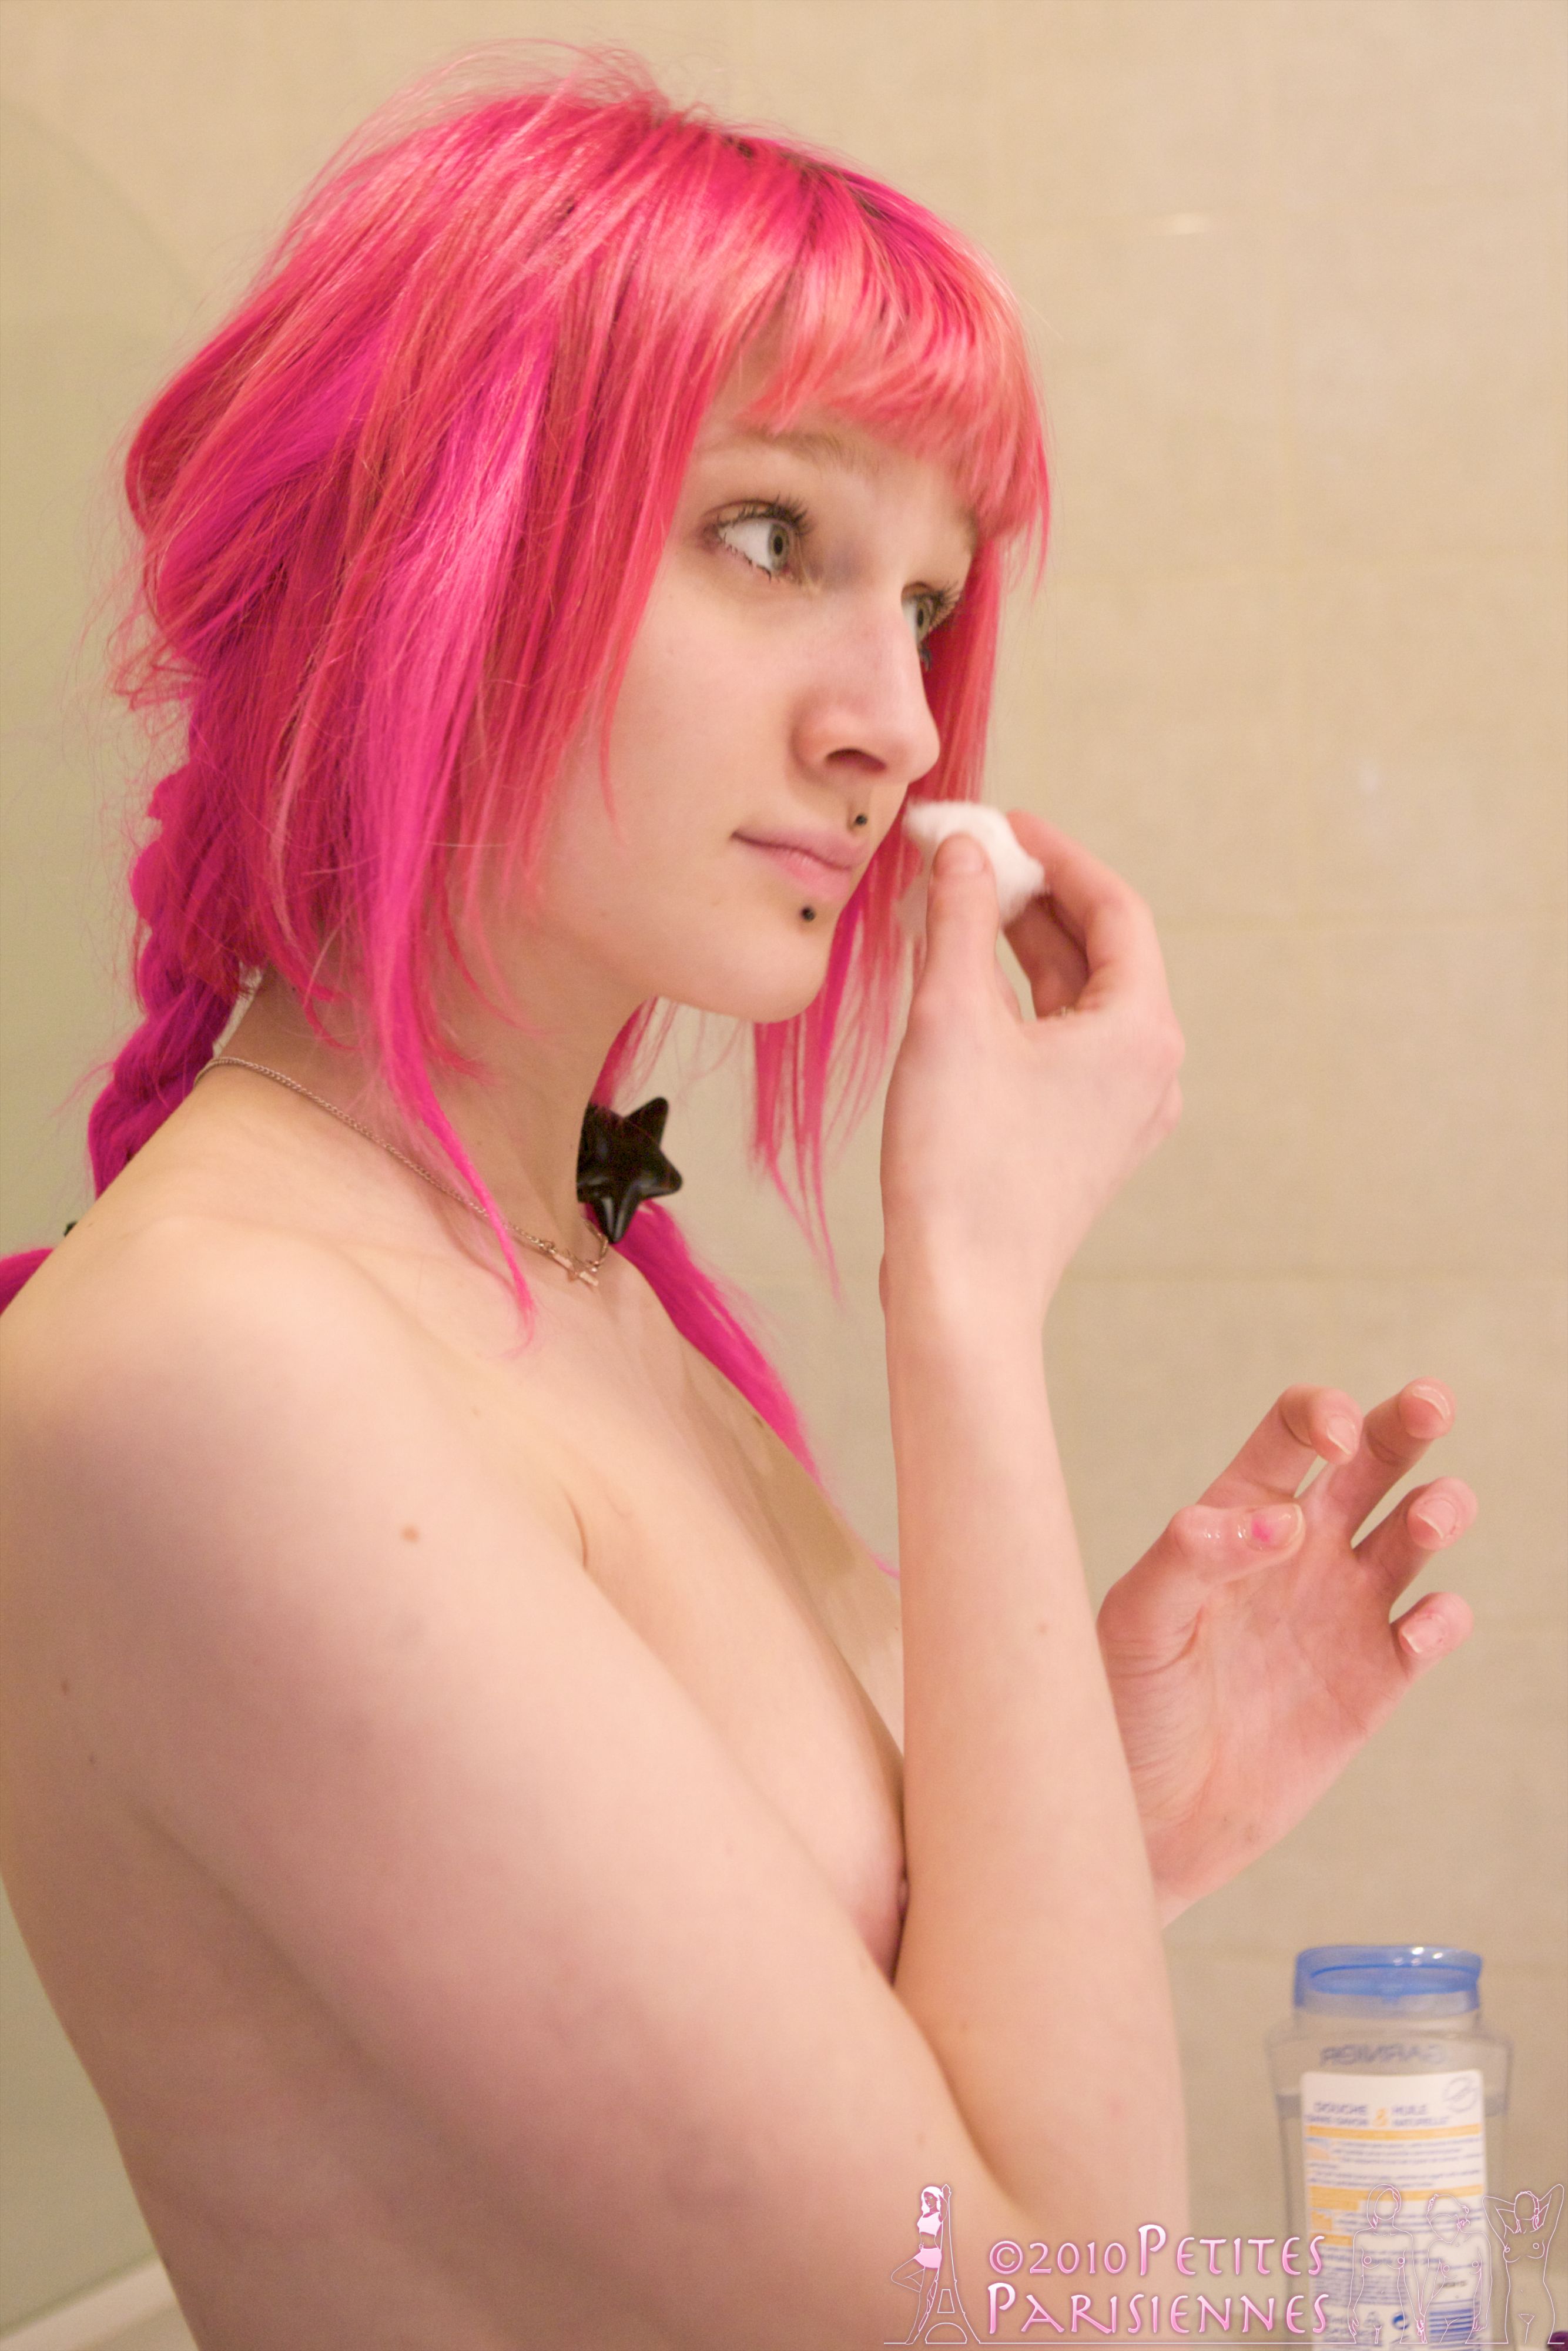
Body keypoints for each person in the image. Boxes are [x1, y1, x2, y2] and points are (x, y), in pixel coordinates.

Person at [0, 50, 1478, 2350]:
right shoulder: (220, 1365)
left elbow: (815, 2110)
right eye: (773, 537)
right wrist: (964, 1296)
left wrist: (1100, 1809)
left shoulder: (571, 1284)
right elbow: (1039, 2309)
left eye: (928, 598)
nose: (899, 719)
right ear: (422, 540)